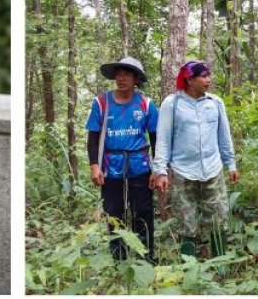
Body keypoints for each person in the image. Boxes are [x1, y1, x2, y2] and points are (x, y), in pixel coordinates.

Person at [152, 61, 238, 258]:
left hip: (213, 169)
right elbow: (163, 138)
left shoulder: (215, 103)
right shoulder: (172, 104)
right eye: (203, 76)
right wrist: (161, 171)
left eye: (209, 75)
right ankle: (188, 268)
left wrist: (231, 163)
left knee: (218, 218)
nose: (208, 80)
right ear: (189, 79)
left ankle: (220, 265)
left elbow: (224, 136)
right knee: (185, 222)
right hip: (183, 171)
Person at [86, 57, 160, 262]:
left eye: (127, 74)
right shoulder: (102, 103)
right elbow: (93, 138)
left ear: (136, 78)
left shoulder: (145, 104)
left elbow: (156, 139)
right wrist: (94, 166)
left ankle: (145, 257)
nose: (121, 78)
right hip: (111, 167)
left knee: (143, 212)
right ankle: (118, 257)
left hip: (140, 167)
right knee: (113, 212)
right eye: (118, 73)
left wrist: (158, 170)